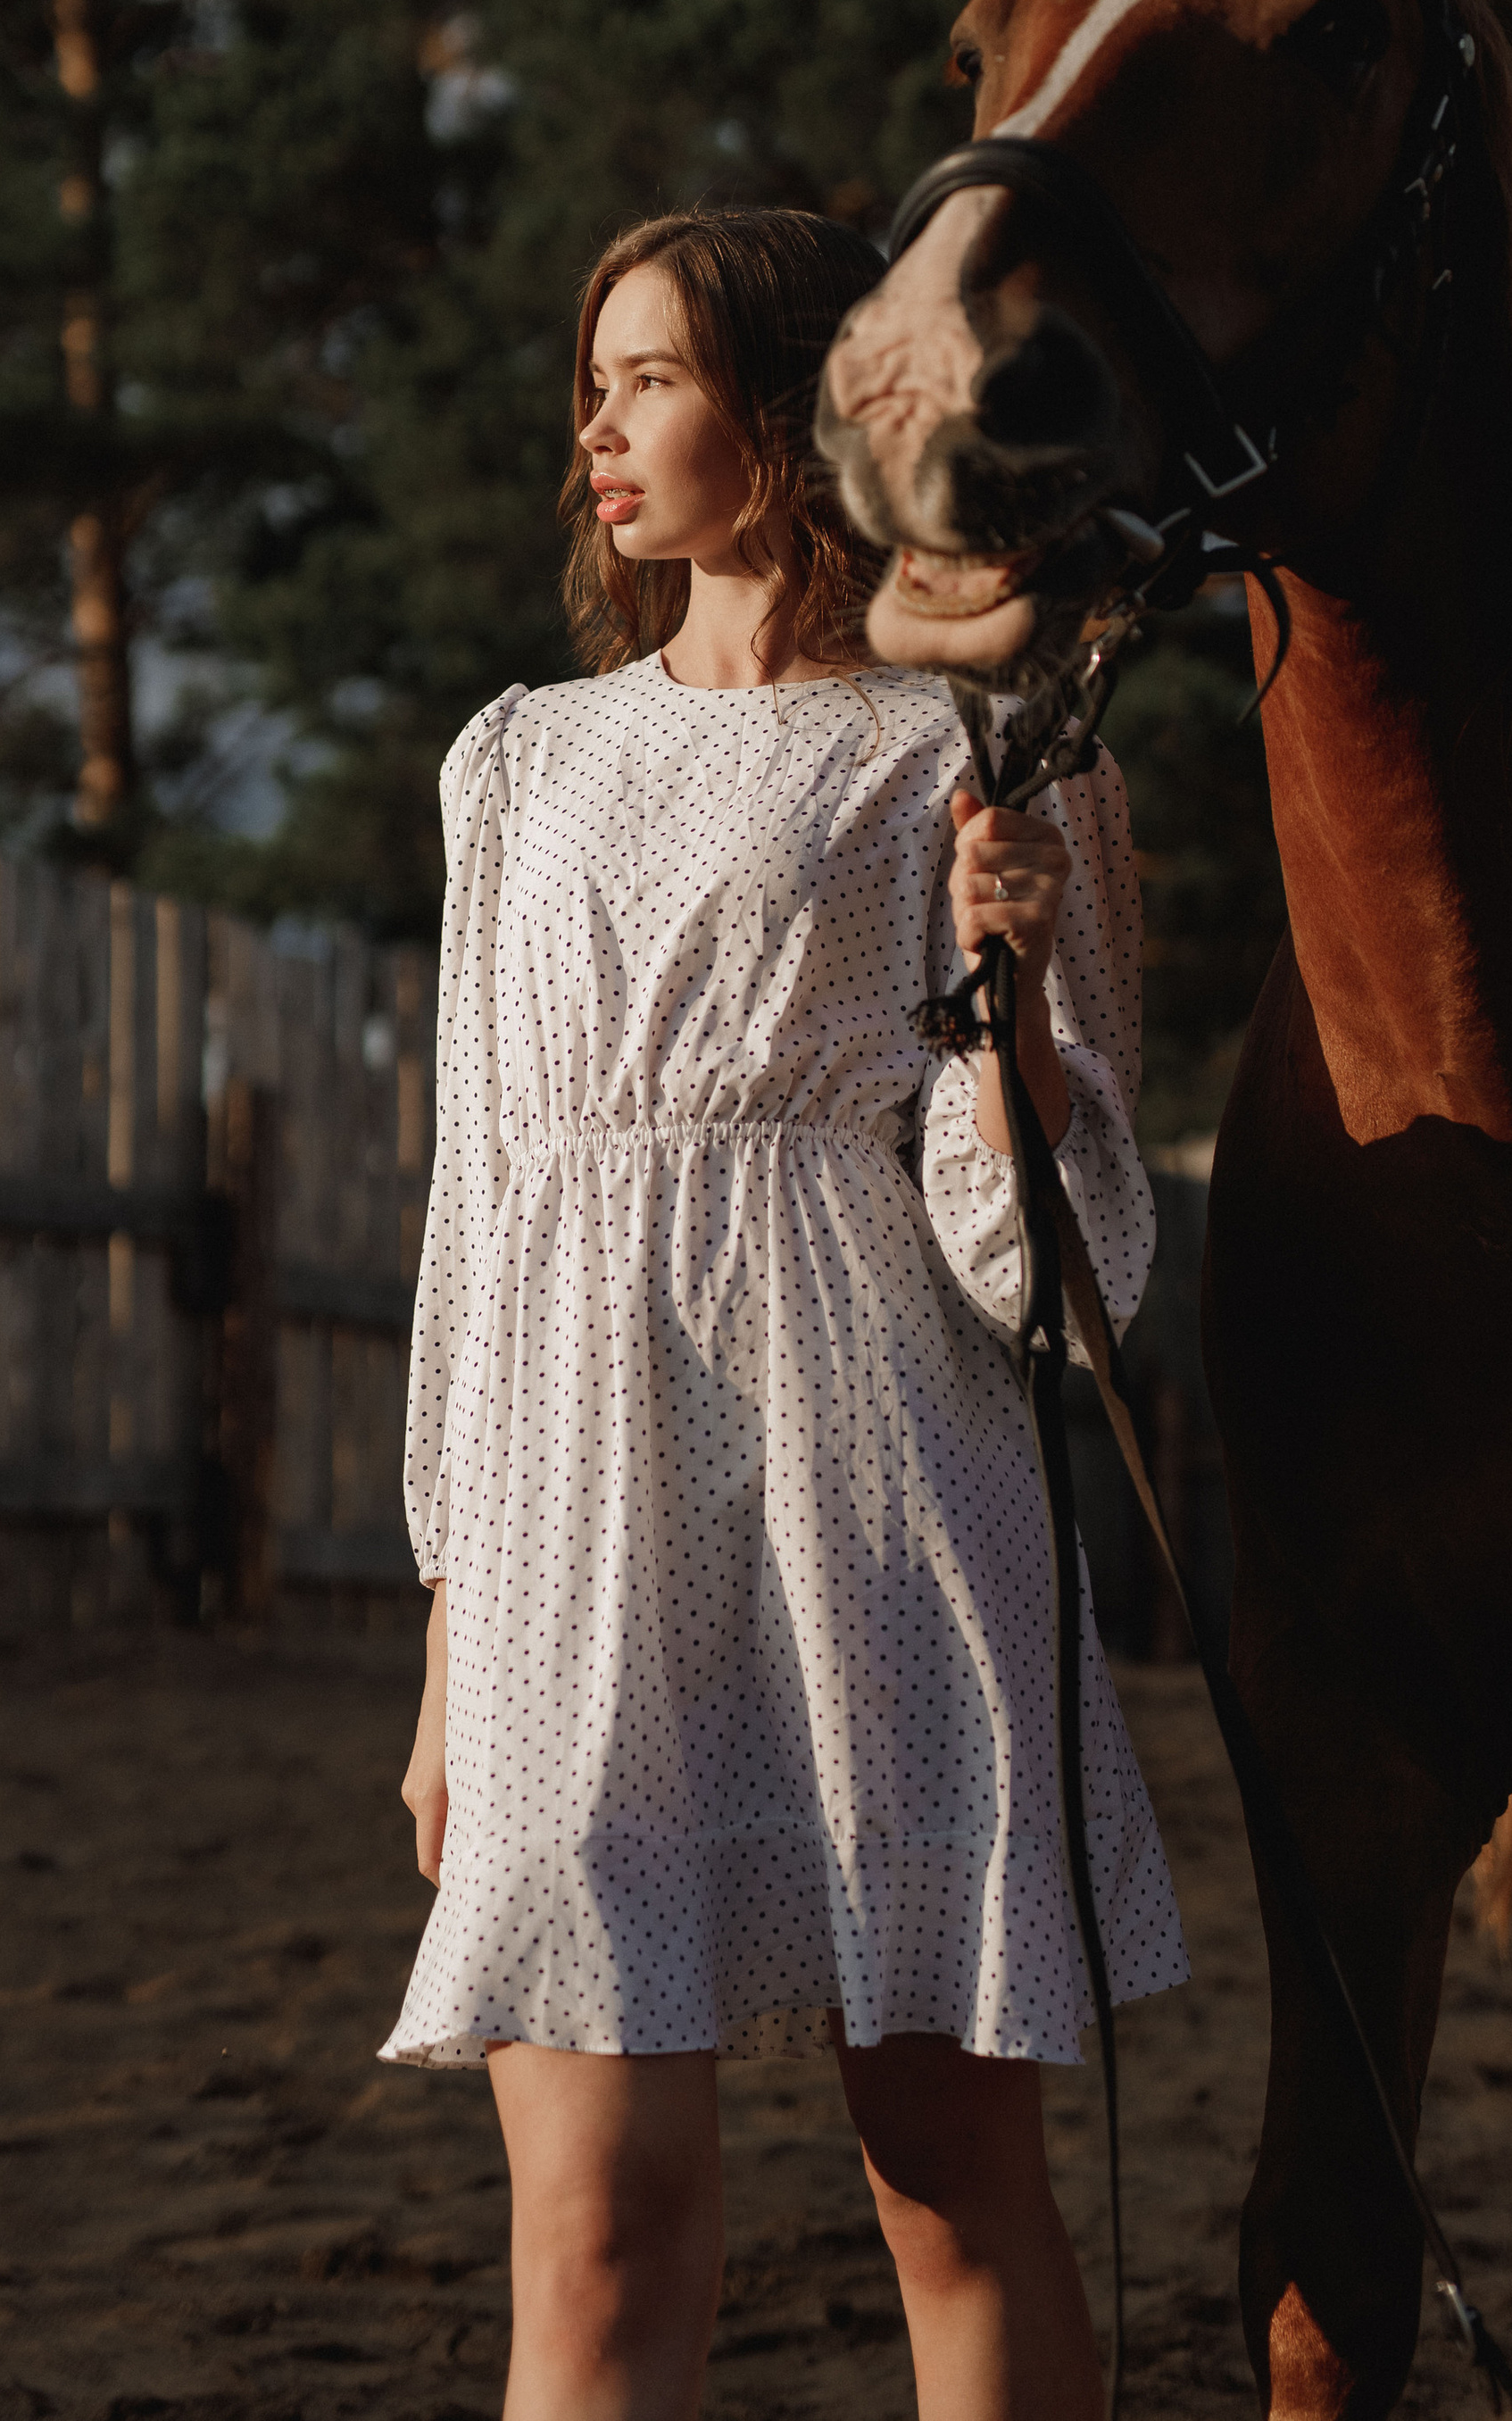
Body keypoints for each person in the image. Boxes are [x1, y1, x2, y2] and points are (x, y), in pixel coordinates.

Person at [386, 205, 1184, 2421]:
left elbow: (1040, 1254)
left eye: (648, 378)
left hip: (881, 1510)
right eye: (591, 385)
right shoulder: (515, 760)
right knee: (593, 2226)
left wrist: (1014, 1017)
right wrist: (456, 1630)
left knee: (943, 2187)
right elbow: (484, 1201)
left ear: (792, 403)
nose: (599, 432)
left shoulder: (979, 741)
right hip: (569, 1535)